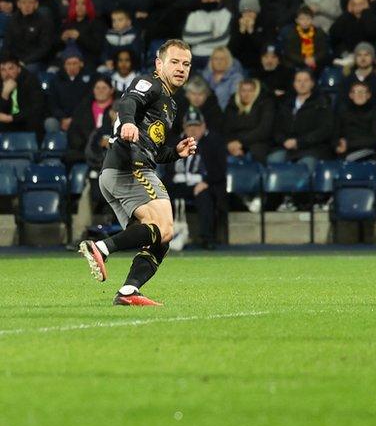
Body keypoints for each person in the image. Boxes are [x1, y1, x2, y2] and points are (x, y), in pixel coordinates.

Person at [77, 39, 199, 307]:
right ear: (159, 64)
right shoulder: (150, 83)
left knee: (160, 236)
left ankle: (128, 291)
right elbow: (128, 102)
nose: (181, 68)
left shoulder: (171, 103)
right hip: (129, 166)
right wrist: (128, 123)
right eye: (175, 62)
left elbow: (154, 149)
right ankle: (101, 248)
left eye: (186, 64)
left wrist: (175, 153)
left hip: (122, 169)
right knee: (165, 227)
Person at [169, 108, 227, 250]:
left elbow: (220, 169)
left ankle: (207, 238)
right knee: (161, 197)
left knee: (204, 196)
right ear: (184, 127)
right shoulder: (175, 142)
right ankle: (162, 239)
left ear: (203, 126)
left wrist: (206, 182)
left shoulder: (214, 142)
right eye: (190, 126)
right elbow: (167, 168)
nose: (193, 130)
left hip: (203, 184)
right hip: (177, 184)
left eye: (197, 126)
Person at [224, 78, 275, 163]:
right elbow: (225, 129)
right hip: (234, 146)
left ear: (256, 92)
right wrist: (230, 145)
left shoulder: (265, 104)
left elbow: (263, 130)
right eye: (243, 90)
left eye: (250, 91)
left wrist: (241, 142)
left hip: (257, 145)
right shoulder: (232, 106)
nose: (246, 94)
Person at [334, 82, 376, 162]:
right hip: (345, 153)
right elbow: (335, 134)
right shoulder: (343, 112)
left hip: (369, 153)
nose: (359, 94)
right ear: (351, 95)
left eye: (363, 92)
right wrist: (337, 145)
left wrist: (349, 144)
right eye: (356, 92)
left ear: (368, 95)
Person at [0, 56, 46, 137]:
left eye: (11, 68)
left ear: (18, 69)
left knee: (34, 121)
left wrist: (12, 118)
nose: (7, 73)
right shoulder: (1, 83)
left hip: (26, 120)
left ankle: (34, 148)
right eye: (3, 70)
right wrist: (4, 95)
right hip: (8, 122)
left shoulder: (30, 81)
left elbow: (36, 108)